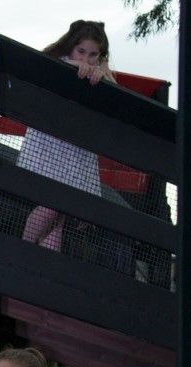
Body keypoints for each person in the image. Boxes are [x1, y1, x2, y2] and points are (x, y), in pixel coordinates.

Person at [22, 21, 116, 251]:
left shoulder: (100, 74)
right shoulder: (58, 64)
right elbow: (41, 69)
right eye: (81, 51)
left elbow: (118, 99)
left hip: (77, 152)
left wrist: (104, 69)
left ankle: (41, 273)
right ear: (71, 47)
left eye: (93, 54)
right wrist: (73, 65)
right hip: (52, 146)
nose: (85, 59)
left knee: (61, 215)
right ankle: (23, 250)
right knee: (51, 204)